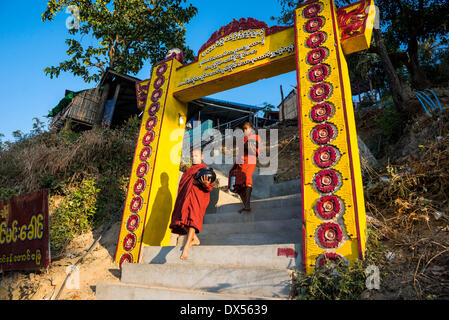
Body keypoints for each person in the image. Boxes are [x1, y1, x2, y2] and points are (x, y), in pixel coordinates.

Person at [169, 148, 214, 260]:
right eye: (192, 156)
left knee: (193, 221)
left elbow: (209, 187)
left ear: (202, 156)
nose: (194, 158)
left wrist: (206, 184)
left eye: (197, 155)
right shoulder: (188, 171)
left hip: (198, 198)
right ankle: (194, 238)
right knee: (182, 221)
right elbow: (182, 186)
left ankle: (186, 249)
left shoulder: (205, 169)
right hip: (185, 199)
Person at [229, 122, 261, 213]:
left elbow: (254, 149)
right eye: (244, 129)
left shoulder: (255, 137)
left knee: (246, 177)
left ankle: (247, 206)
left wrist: (248, 145)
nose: (245, 131)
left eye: (247, 129)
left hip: (250, 160)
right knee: (237, 184)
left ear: (251, 129)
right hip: (241, 161)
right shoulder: (242, 139)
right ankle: (245, 205)